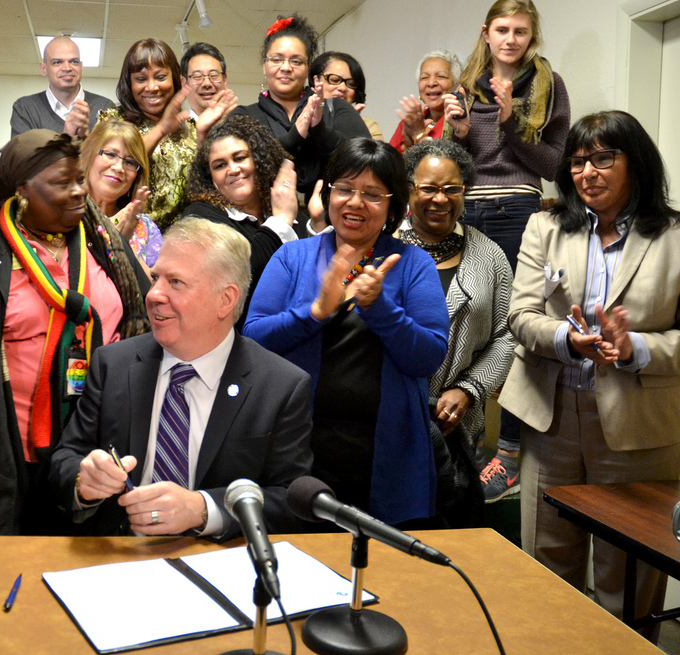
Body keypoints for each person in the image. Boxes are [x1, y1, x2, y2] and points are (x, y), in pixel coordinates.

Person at [0, 129, 150, 537]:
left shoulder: (105, 243)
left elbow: (139, 325)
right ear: (22, 189)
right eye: (61, 183)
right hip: (7, 448)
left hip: (92, 448)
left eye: (79, 179)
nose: (78, 192)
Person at [499, 110, 680, 636]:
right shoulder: (547, 225)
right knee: (546, 567)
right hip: (551, 422)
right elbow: (521, 315)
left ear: (636, 164)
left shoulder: (672, 235)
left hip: (639, 431)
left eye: (603, 159)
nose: (588, 173)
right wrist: (566, 339)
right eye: (578, 162)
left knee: (626, 581)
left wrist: (635, 348)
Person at [49, 218, 313, 538]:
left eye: (175, 282)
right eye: (156, 277)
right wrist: (84, 482)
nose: (154, 294)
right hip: (118, 559)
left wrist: (202, 510)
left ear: (225, 300)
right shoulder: (113, 365)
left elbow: (289, 503)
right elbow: (64, 460)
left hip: (218, 566)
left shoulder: (280, 387)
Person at [244, 138, 448, 527]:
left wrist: (380, 308)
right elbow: (253, 340)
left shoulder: (413, 263)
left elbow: (428, 356)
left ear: (392, 207)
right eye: (344, 190)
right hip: (299, 444)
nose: (355, 203)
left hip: (385, 451)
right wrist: (316, 312)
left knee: (388, 575)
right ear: (327, 193)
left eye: (372, 194)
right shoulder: (292, 256)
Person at [445, 0, 570, 497]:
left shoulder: (548, 85)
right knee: (465, 327)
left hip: (518, 210)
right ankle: (465, 446)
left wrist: (511, 120)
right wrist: (456, 133)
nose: (511, 39)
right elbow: (459, 162)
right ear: (487, 32)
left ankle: (510, 455)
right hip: (466, 211)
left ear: (532, 35)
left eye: (521, 30)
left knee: (518, 329)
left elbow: (555, 164)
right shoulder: (466, 85)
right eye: (502, 29)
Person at [397, 139, 514, 525]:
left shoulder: (490, 256)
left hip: (458, 428)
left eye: (452, 188)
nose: (440, 199)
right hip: (387, 421)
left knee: (450, 535)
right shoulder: (378, 248)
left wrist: (468, 390)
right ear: (408, 189)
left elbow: (506, 336)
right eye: (428, 188)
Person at [98, 38, 233, 231]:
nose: (152, 87)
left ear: (176, 80)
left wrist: (208, 135)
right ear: (129, 83)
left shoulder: (191, 129)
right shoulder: (112, 121)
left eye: (160, 77)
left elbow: (206, 187)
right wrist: (161, 129)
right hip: (124, 236)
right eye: (141, 79)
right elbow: (117, 163)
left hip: (180, 241)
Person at [183, 114, 304, 321]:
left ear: (259, 160)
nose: (233, 169)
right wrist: (281, 221)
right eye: (220, 165)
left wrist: (317, 224)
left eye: (240, 158)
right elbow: (238, 273)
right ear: (212, 181)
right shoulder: (200, 216)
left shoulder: (289, 209)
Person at [233, 14, 370, 195]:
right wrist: (294, 137)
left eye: (296, 61)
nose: (286, 67)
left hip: (333, 218)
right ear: (264, 66)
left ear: (308, 68)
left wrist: (319, 128)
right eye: (276, 59)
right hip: (260, 220)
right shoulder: (244, 116)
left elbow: (368, 162)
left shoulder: (336, 108)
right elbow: (235, 169)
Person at [80, 119, 161, 267]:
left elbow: (156, 288)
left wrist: (123, 244)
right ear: (89, 155)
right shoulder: (65, 219)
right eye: (110, 154)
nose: (119, 167)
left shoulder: (145, 228)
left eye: (130, 162)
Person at [10, 36, 115, 138]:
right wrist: (66, 138)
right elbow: (21, 155)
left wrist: (88, 142)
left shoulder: (105, 107)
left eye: (74, 61)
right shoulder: (25, 108)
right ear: (43, 69)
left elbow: (115, 154)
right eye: (57, 62)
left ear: (81, 67)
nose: (67, 68)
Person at [389, 50, 462, 154]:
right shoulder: (411, 122)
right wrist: (406, 146)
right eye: (424, 77)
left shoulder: (460, 122)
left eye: (441, 76)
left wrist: (419, 135)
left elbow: (443, 164)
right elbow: (388, 165)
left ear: (456, 84)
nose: (431, 83)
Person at [310, 51, 383, 140]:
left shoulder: (369, 126)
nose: (343, 88)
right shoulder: (301, 118)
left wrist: (352, 125)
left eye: (351, 84)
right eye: (334, 80)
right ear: (316, 81)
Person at [180, 41, 230, 120]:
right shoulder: (176, 131)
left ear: (225, 80)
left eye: (213, 76)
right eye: (197, 76)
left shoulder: (241, 128)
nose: (207, 83)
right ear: (184, 83)